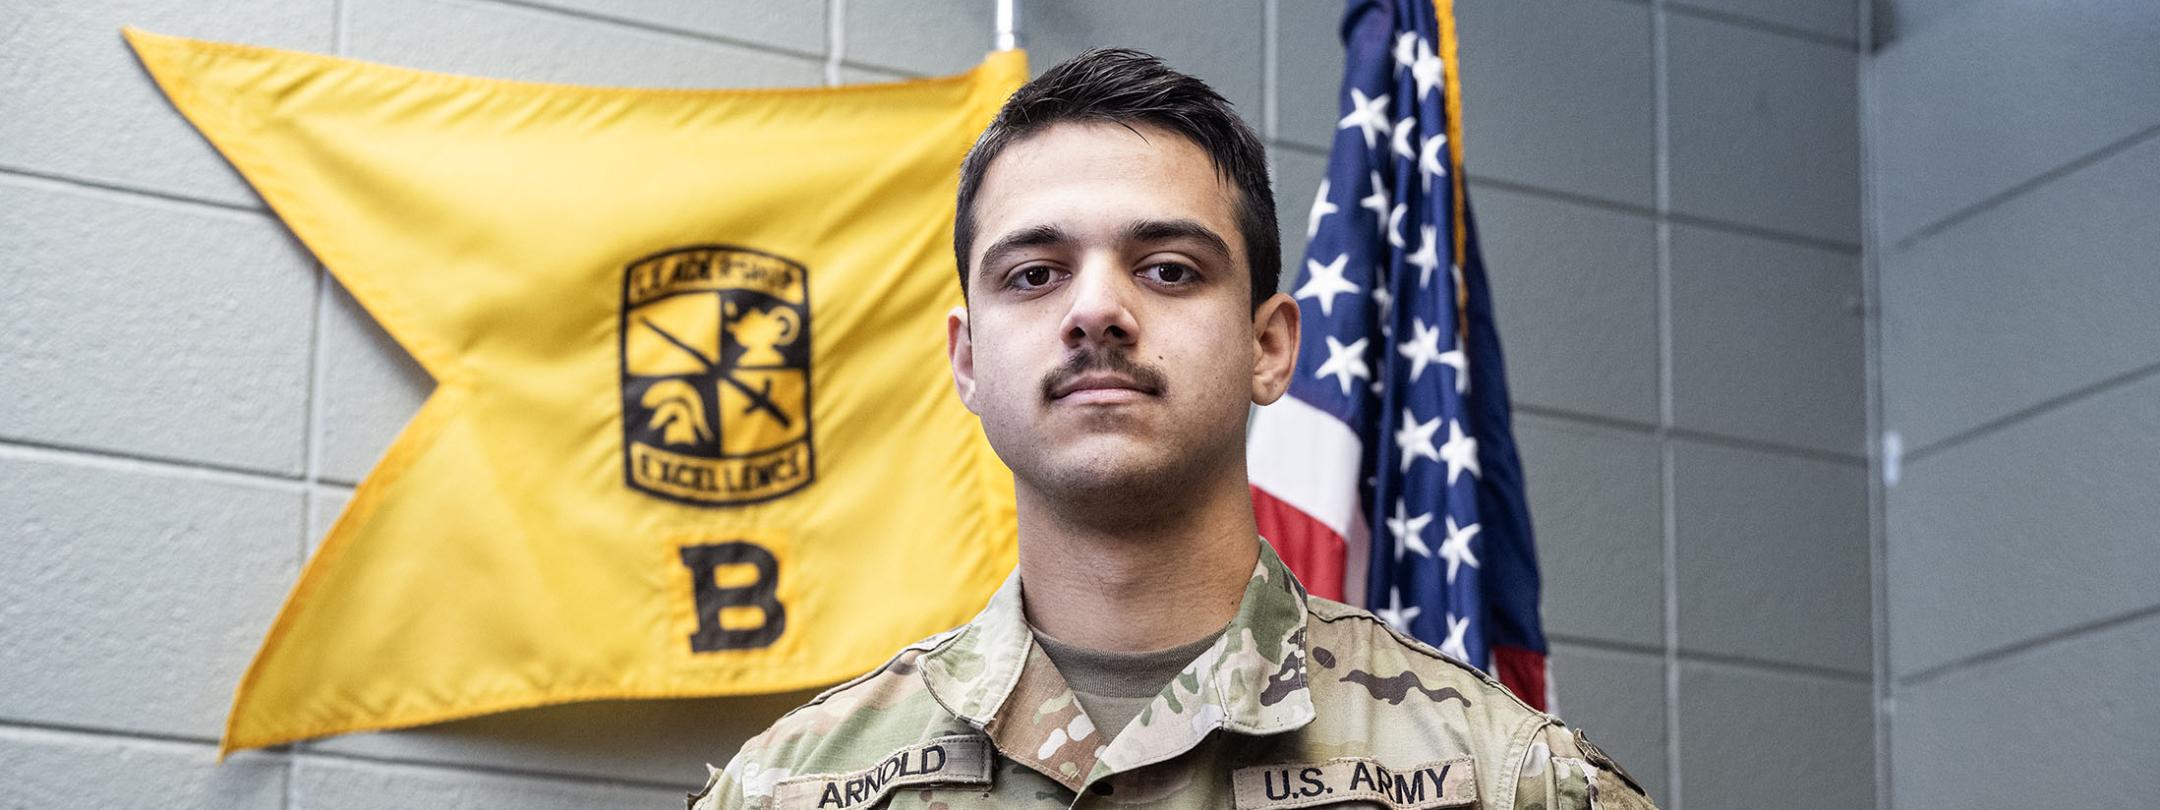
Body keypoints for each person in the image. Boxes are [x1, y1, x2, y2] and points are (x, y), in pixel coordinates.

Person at [690, 47, 1659, 810]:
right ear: (969, 360)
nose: (1097, 310)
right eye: (1034, 274)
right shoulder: (788, 791)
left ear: (1271, 347)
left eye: (1168, 269)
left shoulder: (1505, 783)